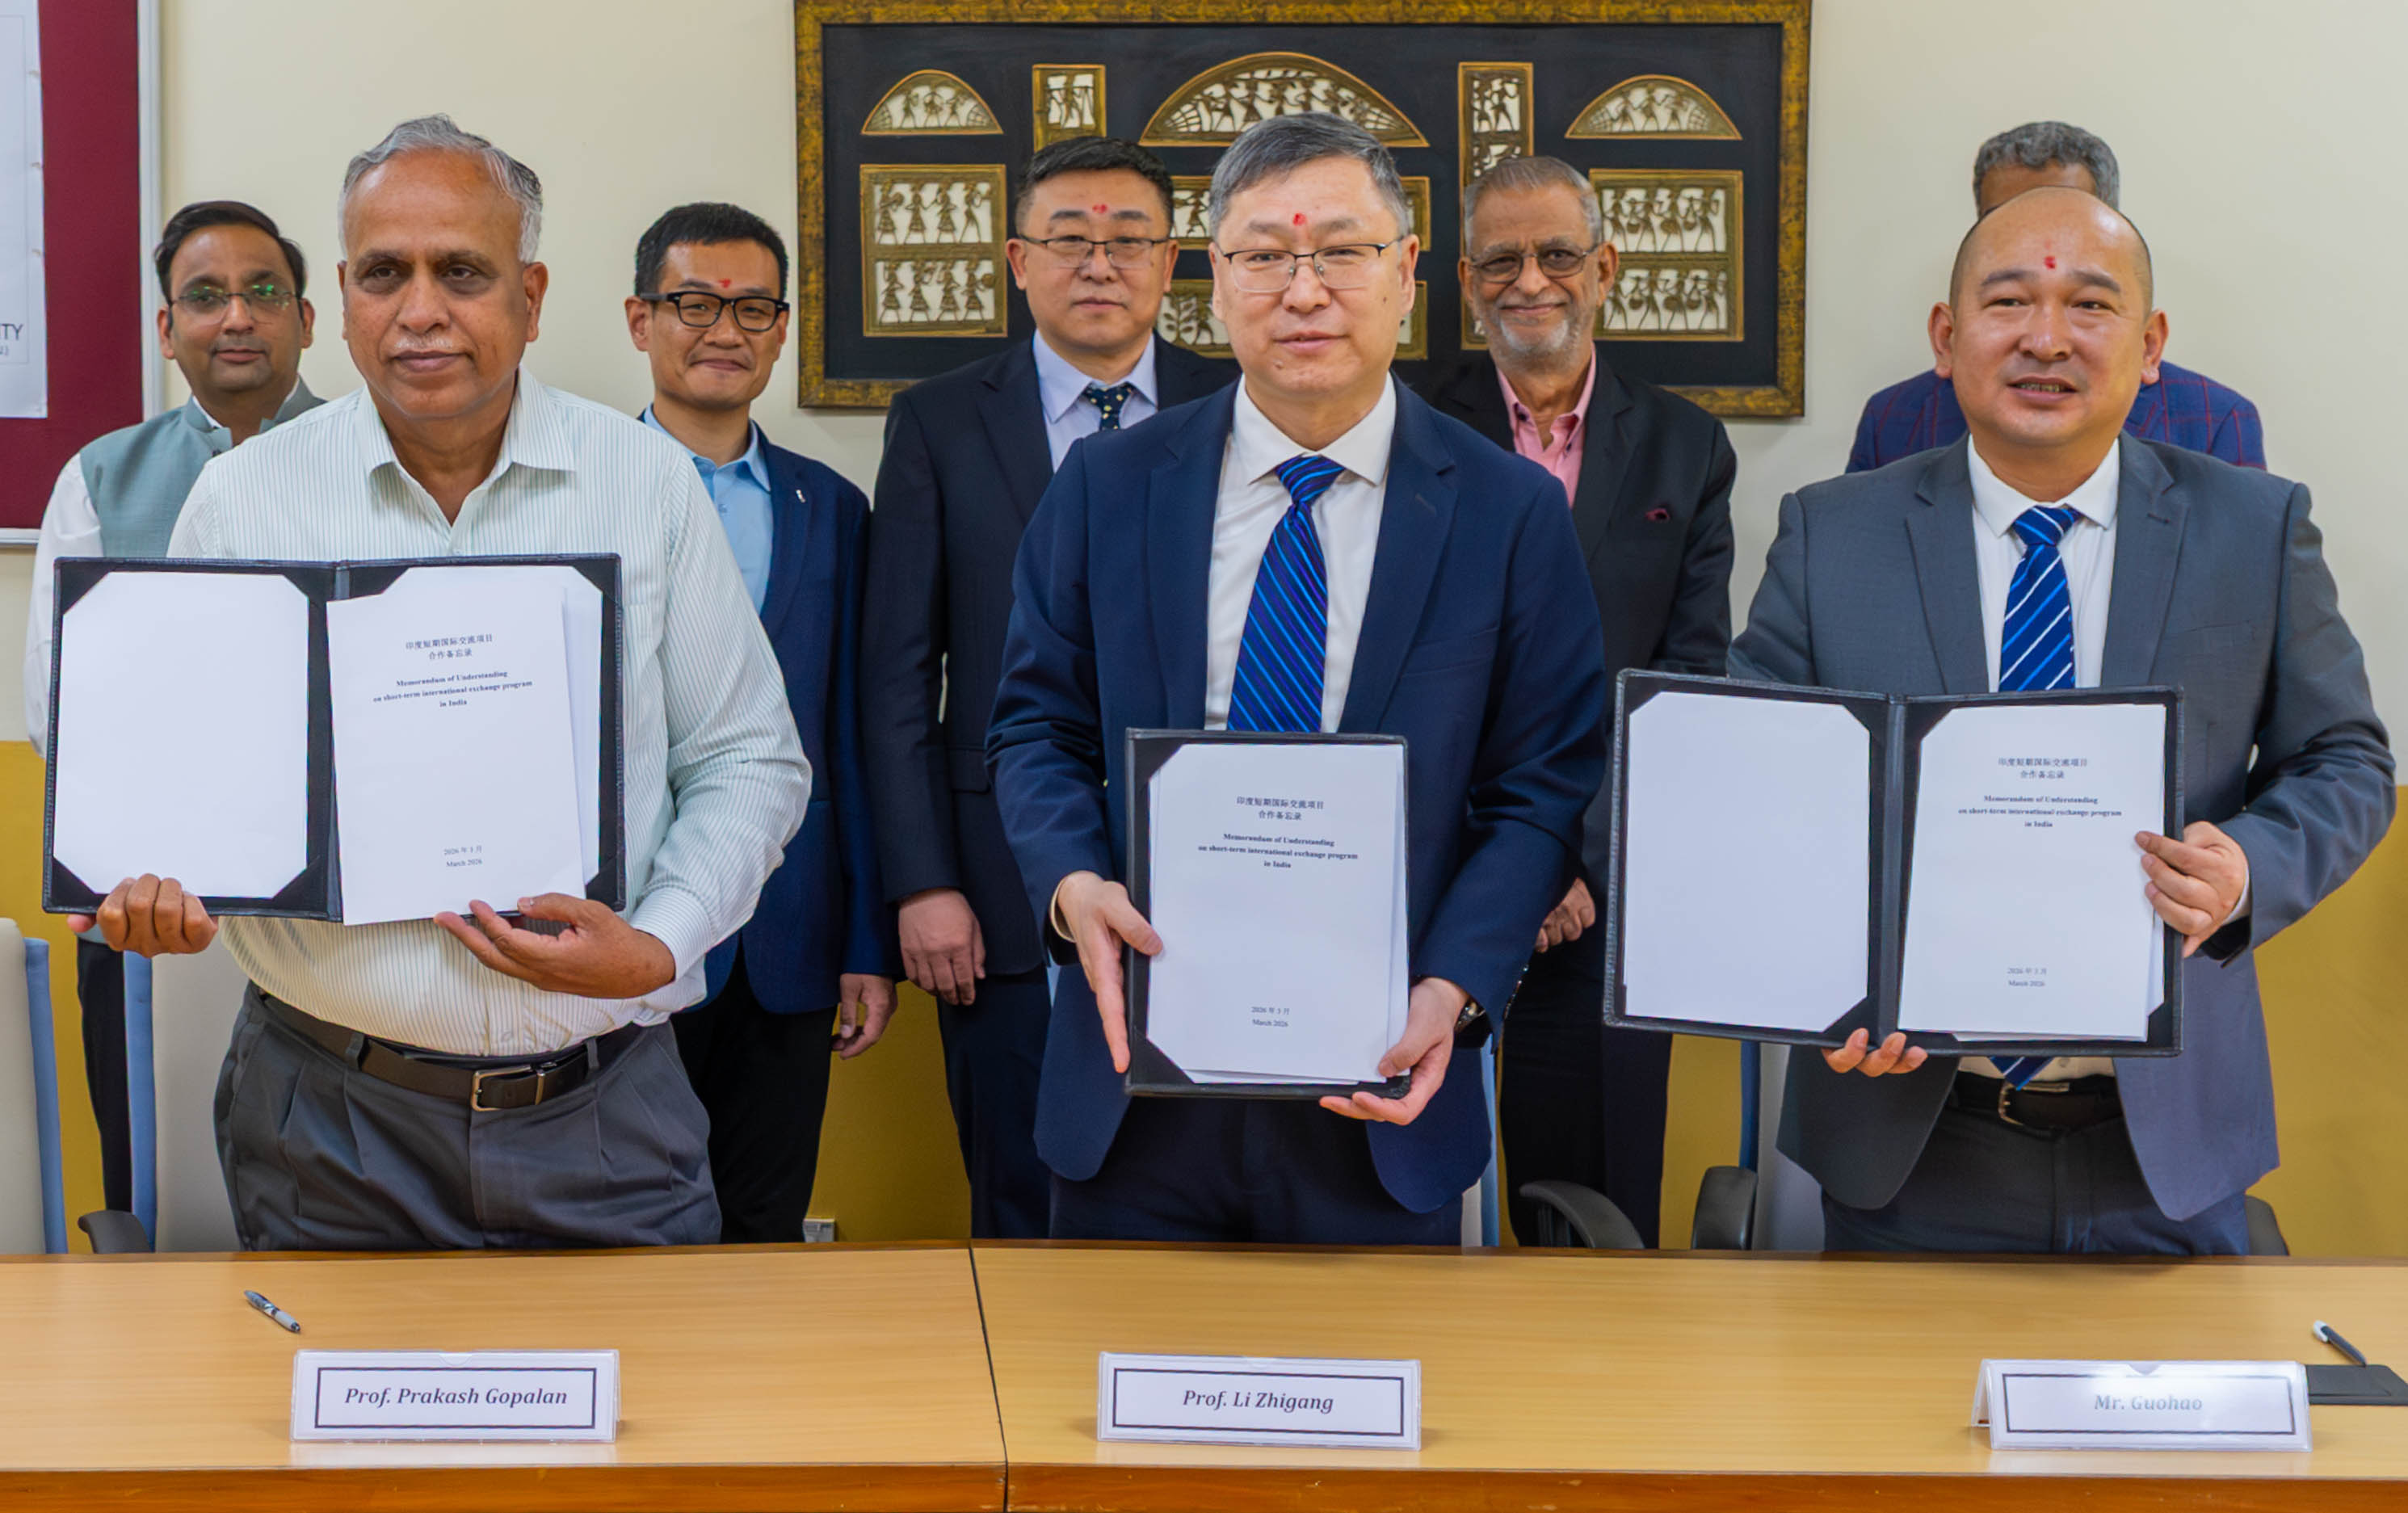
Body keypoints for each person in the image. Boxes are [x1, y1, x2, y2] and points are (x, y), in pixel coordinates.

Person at [76, 115, 809, 1250]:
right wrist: (163, 882)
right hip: (327, 1124)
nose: (420, 310)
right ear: (343, 299)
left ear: (531, 294)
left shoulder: (644, 483)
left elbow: (747, 759)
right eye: (385, 274)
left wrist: (661, 942)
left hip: (607, 1114)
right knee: (330, 1380)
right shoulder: (247, 500)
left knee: (646, 1377)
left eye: (461, 272)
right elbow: (193, 776)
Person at [1730, 186, 2393, 1254]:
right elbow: (1751, 786)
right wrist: (1814, 982)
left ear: (2150, 344)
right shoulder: (1830, 535)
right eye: (2007, 303)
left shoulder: (2254, 527)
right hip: (1908, 1137)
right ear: (1945, 337)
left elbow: (2343, 759)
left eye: (2089, 305)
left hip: (2167, 1148)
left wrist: (2247, 869)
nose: (2046, 339)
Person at [986, 112, 1608, 1244]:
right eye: (1265, 255)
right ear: (1214, 282)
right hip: (1136, 1087)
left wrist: (1455, 983)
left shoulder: (1508, 512)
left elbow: (1541, 786)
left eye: (1341, 252)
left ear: (1406, 272)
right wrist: (1070, 884)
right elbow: (1035, 728)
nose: (1303, 291)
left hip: (1385, 1084)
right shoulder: (1105, 488)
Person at [861, 135, 1229, 1238]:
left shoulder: (1240, 404)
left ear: (1171, 264)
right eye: (1069, 240)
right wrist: (923, 882)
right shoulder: (939, 420)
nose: (1099, 264)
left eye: (1129, 241)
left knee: (1205, 1194)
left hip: (1211, 872)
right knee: (1021, 1198)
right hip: (997, 892)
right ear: (1018, 262)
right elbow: (895, 674)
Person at [1421, 154, 1736, 1248]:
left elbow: (1686, 682)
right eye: (1500, 260)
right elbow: (1390, 674)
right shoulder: (1405, 427)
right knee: (1401, 1192)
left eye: (1557, 254)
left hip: (1603, 894)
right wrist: (1510, 856)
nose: (1529, 281)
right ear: (1465, 282)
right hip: (1433, 872)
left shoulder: (1686, 446)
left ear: (1604, 269)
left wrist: (1573, 857)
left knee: (1590, 1218)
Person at [22, 199, 321, 1217]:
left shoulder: (385, 458)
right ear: (167, 327)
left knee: (330, 1196)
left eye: (263, 292)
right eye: (205, 296)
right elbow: (58, 706)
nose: (236, 316)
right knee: (150, 1184)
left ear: (305, 319)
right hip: (144, 902)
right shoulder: (101, 478)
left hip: (338, 924)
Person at [624, 201, 899, 1243]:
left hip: (790, 934)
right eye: (694, 303)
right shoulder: (583, 487)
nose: (724, 330)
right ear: (642, 320)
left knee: (762, 1227)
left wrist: (866, 941)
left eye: (752, 309)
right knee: (623, 1223)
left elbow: (857, 734)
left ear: (781, 331)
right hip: (625, 923)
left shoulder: (833, 507)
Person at [1848, 122, 2265, 473]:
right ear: (1945, 335)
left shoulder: (2213, 419)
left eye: (2066, 211)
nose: (2046, 343)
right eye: (2010, 216)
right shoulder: (1895, 419)